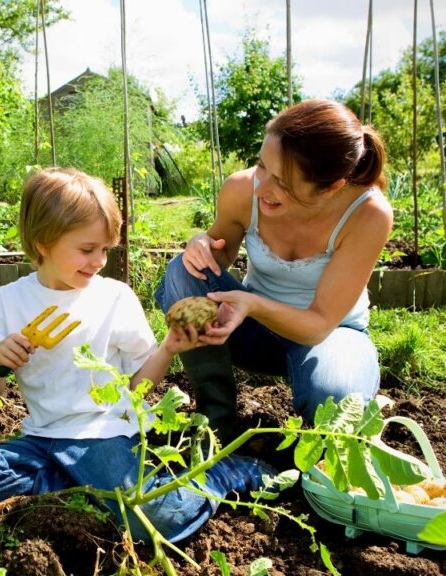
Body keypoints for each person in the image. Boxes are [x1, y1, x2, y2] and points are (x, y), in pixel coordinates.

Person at [0, 167, 276, 543]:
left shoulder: (113, 298)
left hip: (103, 433)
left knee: (158, 520)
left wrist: (168, 347)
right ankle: (80, 486)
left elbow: (138, 386)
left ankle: (222, 474)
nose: (99, 261)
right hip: (42, 438)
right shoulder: (9, 302)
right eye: (87, 249)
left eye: (105, 249)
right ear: (43, 242)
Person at [156, 99, 393, 443]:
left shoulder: (367, 214)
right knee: (182, 271)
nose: (262, 186)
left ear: (332, 187)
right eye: (261, 166)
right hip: (251, 331)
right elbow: (218, 251)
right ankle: (216, 418)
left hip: (329, 335)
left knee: (338, 402)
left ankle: (329, 418)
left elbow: (318, 324)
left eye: (283, 182)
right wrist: (201, 243)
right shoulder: (242, 189)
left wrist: (252, 305)